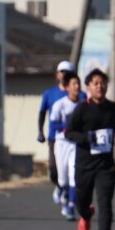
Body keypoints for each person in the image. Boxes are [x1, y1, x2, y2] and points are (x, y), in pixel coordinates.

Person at [66, 68, 115, 230]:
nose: (100, 86)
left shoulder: (113, 108)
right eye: (95, 83)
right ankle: (86, 215)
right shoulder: (82, 109)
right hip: (85, 164)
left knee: (105, 204)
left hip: (105, 165)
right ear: (88, 87)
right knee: (81, 201)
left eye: (103, 83)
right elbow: (69, 132)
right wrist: (88, 138)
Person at [38, 60, 77, 206]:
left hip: (74, 139)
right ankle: (60, 187)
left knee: (72, 171)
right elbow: (42, 113)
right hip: (55, 138)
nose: (64, 74)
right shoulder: (50, 93)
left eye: (68, 72)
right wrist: (40, 131)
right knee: (54, 170)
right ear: (57, 75)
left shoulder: (78, 94)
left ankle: (69, 199)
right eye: (62, 71)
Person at [49, 71, 82, 221]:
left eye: (78, 84)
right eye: (73, 84)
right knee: (63, 179)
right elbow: (53, 124)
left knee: (74, 176)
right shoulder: (60, 104)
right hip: (62, 143)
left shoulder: (82, 105)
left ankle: (70, 206)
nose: (77, 87)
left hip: (76, 144)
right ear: (67, 87)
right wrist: (66, 125)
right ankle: (61, 189)